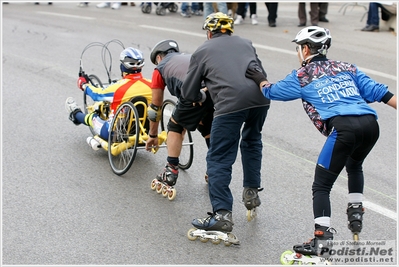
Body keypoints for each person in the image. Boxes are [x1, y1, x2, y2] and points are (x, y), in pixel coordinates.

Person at [245, 26, 397, 256]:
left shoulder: (302, 75)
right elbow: (382, 93)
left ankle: (322, 241)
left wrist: (260, 78)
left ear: (305, 49)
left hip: (343, 129)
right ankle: (355, 214)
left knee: (322, 185)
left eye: (299, 48)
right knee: (354, 164)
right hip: (370, 125)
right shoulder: (346, 68)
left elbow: (272, 92)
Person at [181, 12, 271, 233]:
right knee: (251, 141)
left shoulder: (203, 50)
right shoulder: (246, 43)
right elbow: (256, 70)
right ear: (230, 30)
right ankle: (251, 190)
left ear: (209, 32)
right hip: (260, 99)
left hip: (230, 103)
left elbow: (188, 91)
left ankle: (222, 214)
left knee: (219, 156)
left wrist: (201, 97)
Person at [145, 39, 214, 188]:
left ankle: (170, 170)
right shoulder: (188, 56)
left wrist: (153, 135)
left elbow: (155, 107)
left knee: (176, 126)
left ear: (158, 58)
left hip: (193, 93)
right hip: (215, 90)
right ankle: (214, 170)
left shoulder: (160, 68)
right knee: (207, 127)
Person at [65, 47, 152, 148]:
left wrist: (84, 85)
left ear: (122, 67)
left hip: (114, 134)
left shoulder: (118, 88)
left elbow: (97, 95)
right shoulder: (151, 85)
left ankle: (75, 114)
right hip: (144, 132)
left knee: (93, 118)